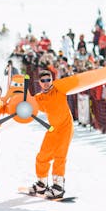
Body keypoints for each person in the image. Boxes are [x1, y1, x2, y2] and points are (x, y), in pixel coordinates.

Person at [28, 70, 74, 199]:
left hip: (66, 127)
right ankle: (42, 184)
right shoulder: (39, 98)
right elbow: (27, 104)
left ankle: (58, 186)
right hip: (53, 129)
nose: (46, 83)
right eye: (43, 81)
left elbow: (73, 82)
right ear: (40, 83)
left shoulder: (60, 89)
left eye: (48, 80)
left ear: (52, 80)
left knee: (60, 155)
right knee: (42, 156)